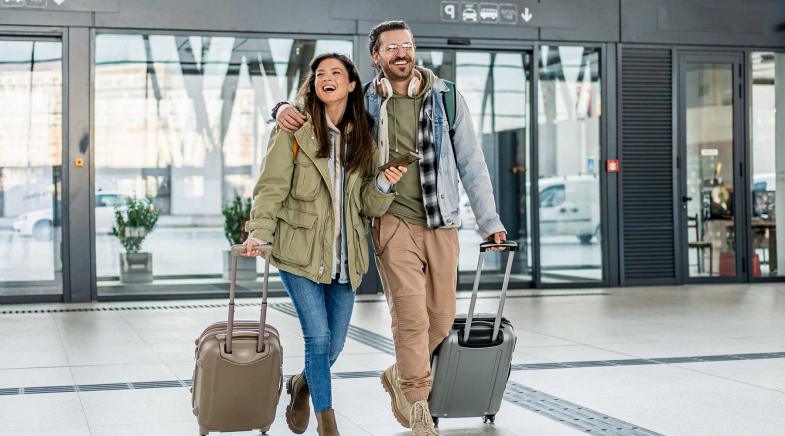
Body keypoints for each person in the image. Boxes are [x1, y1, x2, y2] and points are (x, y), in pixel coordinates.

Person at [274, 21, 507, 436]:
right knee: (411, 318)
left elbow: (472, 162)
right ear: (376, 57)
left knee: (442, 315)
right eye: (391, 48)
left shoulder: (445, 97)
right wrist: (277, 109)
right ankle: (418, 405)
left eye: (408, 45)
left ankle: (399, 371)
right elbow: (316, 102)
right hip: (391, 220)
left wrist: (491, 223)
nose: (402, 53)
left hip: (443, 219)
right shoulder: (365, 101)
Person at [243, 52, 406, 436]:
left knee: (332, 348)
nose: (326, 78)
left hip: (346, 259)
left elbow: (366, 203)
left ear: (351, 85)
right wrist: (259, 232)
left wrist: (384, 184)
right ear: (314, 84)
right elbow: (271, 187)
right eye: (320, 73)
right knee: (317, 339)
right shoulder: (293, 128)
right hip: (297, 253)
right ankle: (327, 424)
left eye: (336, 72)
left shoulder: (365, 134)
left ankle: (301, 384)